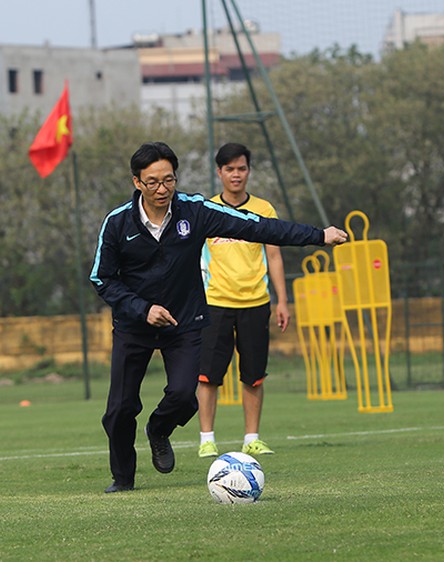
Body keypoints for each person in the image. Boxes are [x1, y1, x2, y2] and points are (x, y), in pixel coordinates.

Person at [90, 141, 348, 493]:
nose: (162, 189)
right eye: (153, 182)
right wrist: (142, 309)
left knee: (184, 395)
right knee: (120, 408)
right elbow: (102, 278)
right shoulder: (118, 222)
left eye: (169, 180)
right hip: (134, 325)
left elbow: (257, 227)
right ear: (137, 182)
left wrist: (317, 236)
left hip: (184, 323)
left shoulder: (194, 211)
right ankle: (123, 479)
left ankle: (159, 429)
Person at [196, 143, 288, 458]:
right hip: (215, 303)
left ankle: (252, 438)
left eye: (242, 168)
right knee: (208, 376)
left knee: (253, 375)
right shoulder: (206, 210)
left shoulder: (264, 210)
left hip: (256, 302)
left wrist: (282, 301)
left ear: (248, 171)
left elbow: (274, 257)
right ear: (219, 172)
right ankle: (207, 439)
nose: (236, 175)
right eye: (230, 169)